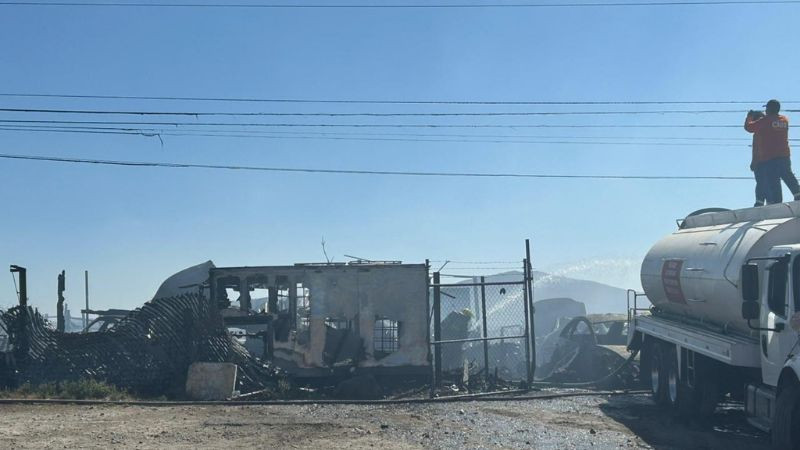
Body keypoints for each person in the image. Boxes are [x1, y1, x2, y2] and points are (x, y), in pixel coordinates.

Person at [745, 99, 800, 204]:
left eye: (766, 108)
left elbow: (749, 127)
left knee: (773, 180)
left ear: (769, 109)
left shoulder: (765, 121)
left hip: (770, 157)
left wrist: (749, 117)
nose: (765, 110)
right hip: (784, 155)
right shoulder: (784, 120)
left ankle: (776, 202)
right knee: (788, 175)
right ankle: (797, 194)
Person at [748, 110, 767, 206]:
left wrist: (749, 117)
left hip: (766, 160)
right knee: (761, 182)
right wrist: (753, 161)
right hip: (759, 162)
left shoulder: (765, 130)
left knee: (764, 182)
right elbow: (755, 149)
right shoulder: (757, 134)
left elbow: (748, 127)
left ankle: (763, 201)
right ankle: (760, 201)